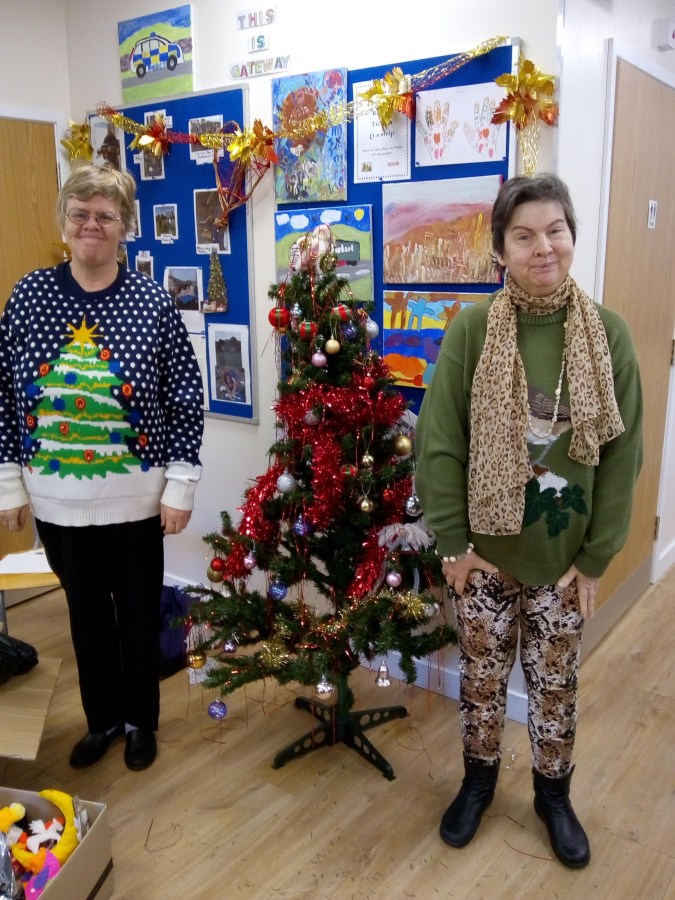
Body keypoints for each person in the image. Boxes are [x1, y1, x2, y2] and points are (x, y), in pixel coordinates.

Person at [415, 174, 642, 868]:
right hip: (483, 558)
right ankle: (478, 784)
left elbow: (621, 455)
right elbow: (440, 441)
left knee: (554, 685)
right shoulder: (473, 329)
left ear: (571, 236)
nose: (543, 247)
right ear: (500, 249)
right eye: (524, 235)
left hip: (563, 562)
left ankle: (553, 796)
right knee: (481, 682)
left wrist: (596, 558)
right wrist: (453, 545)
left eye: (555, 231)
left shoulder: (608, 334)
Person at [0, 165, 204, 771]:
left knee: (137, 616)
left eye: (105, 216)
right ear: (64, 222)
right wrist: (8, 484)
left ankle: (140, 722)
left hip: (138, 501)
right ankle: (103, 720)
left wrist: (181, 484)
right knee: (85, 618)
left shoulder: (151, 302)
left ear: (124, 227)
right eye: (80, 213)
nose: (92, 224)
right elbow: (5, 394)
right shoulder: (30, 297)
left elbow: (183, 395)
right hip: (57, 504)